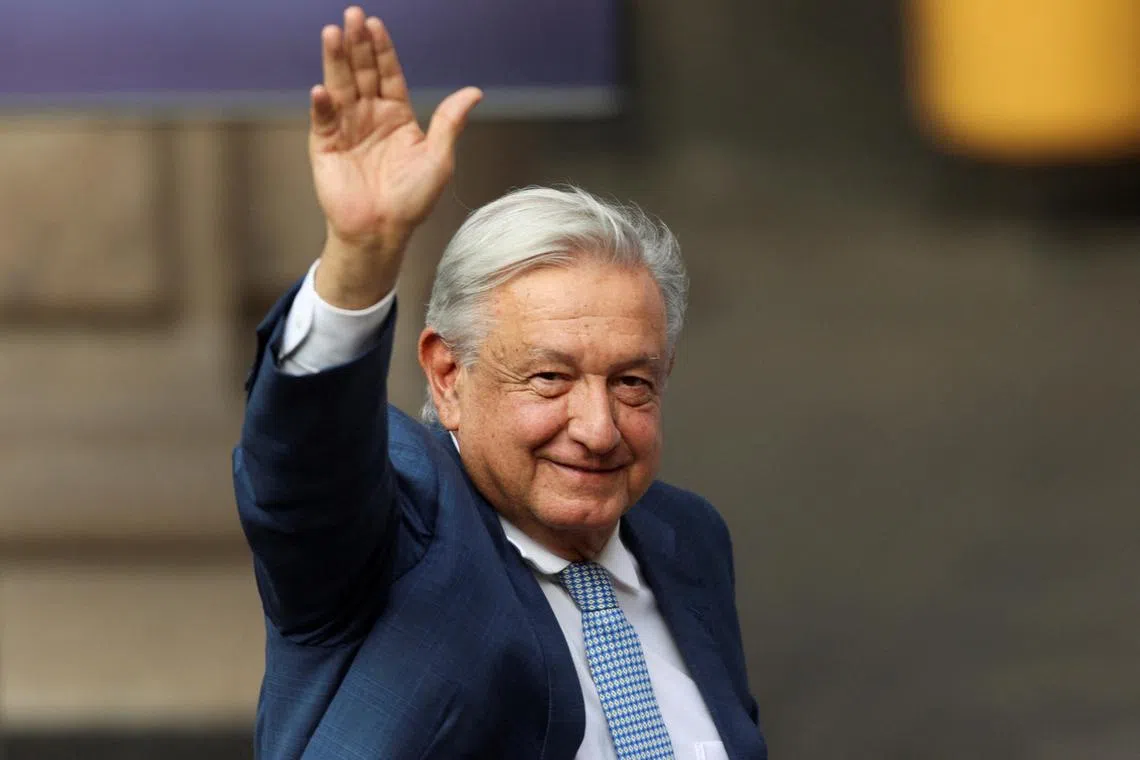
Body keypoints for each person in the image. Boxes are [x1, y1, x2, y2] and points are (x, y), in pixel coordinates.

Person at [233, 6, 766, 759]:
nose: (598, 427)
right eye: (550, 378)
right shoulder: (401, 523)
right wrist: (363, 255)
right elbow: (303, 468)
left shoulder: (689, 542)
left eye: (631, 383)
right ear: (448, 374)